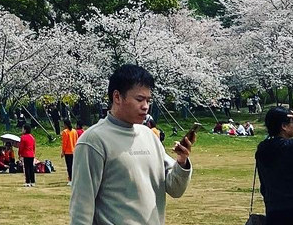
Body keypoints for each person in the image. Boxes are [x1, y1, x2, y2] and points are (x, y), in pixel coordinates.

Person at [69, 64, 193, 225]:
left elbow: (175, 189)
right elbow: (82, 205)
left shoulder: (149, 136)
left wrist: (182, 161)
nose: (146, 106)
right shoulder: (93, 141)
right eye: (139, 99)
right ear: (117, 97)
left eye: (148, 100)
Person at [60, 120, 79, 186]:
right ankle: (75, 178)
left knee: (69, 166)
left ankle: (71, 179)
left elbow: (64, 143)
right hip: (74, 150)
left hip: (68, 152)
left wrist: (63, 151)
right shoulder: (74, 131)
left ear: (66, 125)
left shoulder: (65, 132)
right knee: (74, 166)